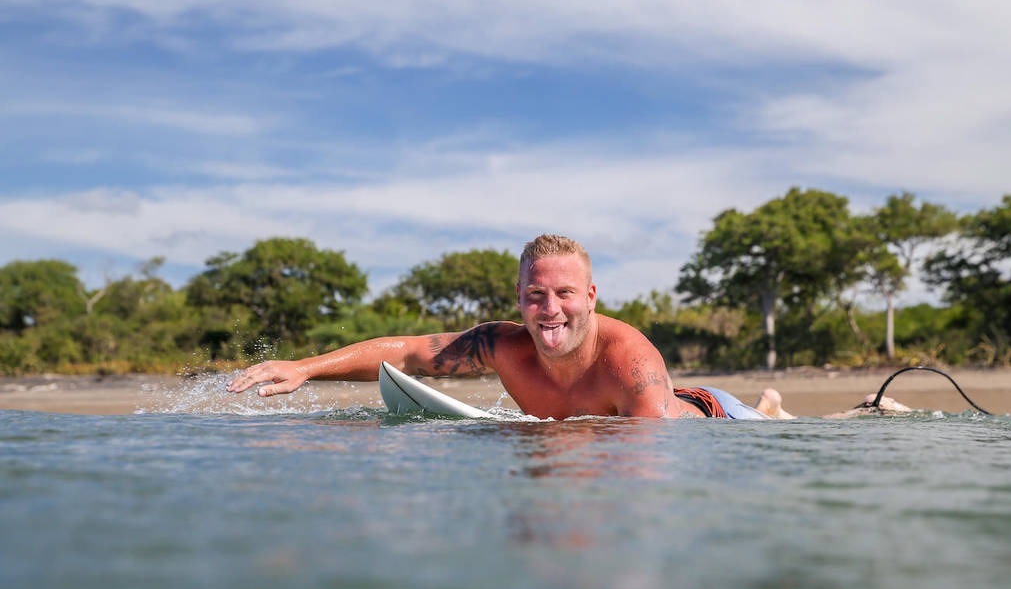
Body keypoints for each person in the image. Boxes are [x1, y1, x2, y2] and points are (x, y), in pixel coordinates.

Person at [228, 234, 904, 420]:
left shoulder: (630, 361)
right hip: (651, 409)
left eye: (564, 294)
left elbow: (652, 470)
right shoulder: (501, 345)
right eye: (534, 295)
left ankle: (860, 408)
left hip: (707, 418)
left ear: (591, 295)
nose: (550, 309)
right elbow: (408, 350)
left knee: (798, 435)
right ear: (519, 299)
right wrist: (305, 367)